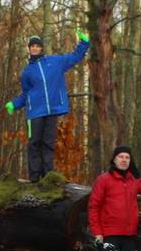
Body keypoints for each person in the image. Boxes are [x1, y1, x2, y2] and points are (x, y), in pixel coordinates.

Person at [6, 31, 91, 182]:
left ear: (41, 48)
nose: (34, 48)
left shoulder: (55, 62)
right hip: (34, 113)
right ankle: (34, 179)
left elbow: (74, 57)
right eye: (32, 46)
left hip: (52, 110)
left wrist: (84, 43)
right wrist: (15, 104)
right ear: (29, 49)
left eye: (37, 46)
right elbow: (26, 95)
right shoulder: (27, 72)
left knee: (48, 144)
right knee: (34, 144)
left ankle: (47, 177)